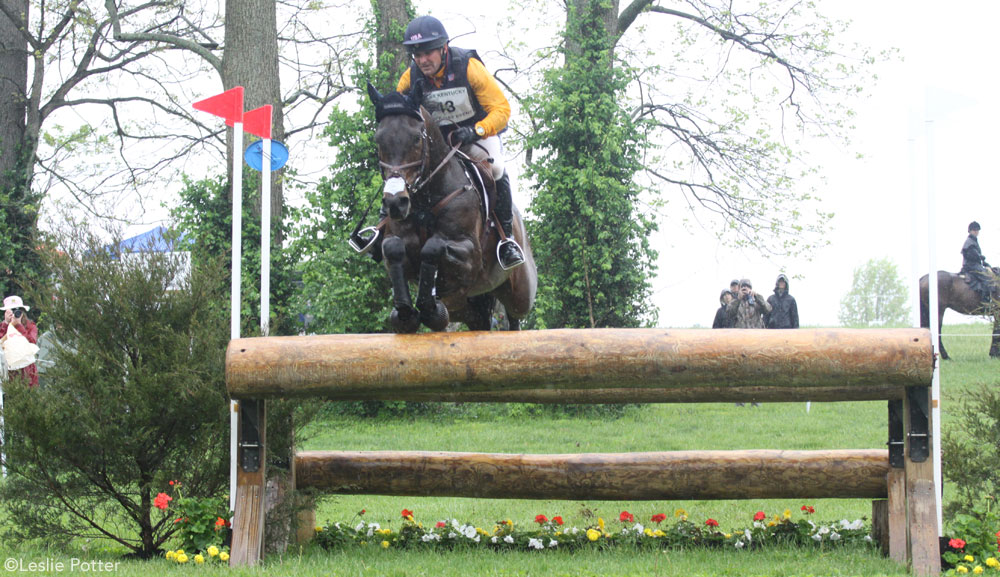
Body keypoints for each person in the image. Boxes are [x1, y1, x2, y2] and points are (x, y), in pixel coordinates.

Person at [395, 15, 525, 270]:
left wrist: (477, 130)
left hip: (475, 134)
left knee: (496, 167)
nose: (422, 60)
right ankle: (381, 227)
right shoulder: (409, 79)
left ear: (443, 48)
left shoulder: (468, 66)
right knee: (401, 168)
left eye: (428, 53)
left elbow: (501, 109)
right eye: (417, 55)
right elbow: (400, 118)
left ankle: (506, 238)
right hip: (435, 143)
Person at [0, 295, 38, 387]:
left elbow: (31, 344)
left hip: (27, 374)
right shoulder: (2, 327)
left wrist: (19, 326)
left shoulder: (31, 327)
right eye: (11, 310)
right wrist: (6, 323)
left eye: (17, 310)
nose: (14, 313)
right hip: (8, 373)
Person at [961, 221, 993, 303]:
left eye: (977, 230)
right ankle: (985, 301)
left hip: (975, 264)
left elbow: (978, 257)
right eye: (974, 230)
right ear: (970, 231)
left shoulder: (974, 241)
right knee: (987, 278)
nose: (976, 232)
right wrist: (980, 258)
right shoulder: (969, 242)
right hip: (971, 266)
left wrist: (985, 264)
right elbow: (972, 255)